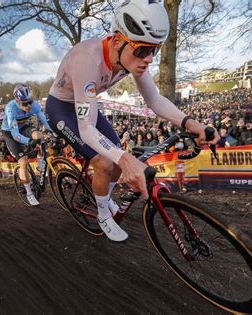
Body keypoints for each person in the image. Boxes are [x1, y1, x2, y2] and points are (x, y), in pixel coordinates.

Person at [45, 0, 219, 242]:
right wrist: (125, 159)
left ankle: (102, 194)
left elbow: (154, 99)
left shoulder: (128, 55)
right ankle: (103, 215)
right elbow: (85, 129)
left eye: (154, 50)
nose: (148, 59)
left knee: (116, 157)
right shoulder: (87, 59)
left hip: (84, 104)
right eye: (141, 50)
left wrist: (191, 123)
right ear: (117, 41)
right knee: (106, 163)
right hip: (61, 108)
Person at [1, 84, 52, 206]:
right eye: (25, 104)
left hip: (24, 126)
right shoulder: (10, 109)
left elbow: (44, 120)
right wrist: (28, 142)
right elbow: (15, 134)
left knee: (39, 136)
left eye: (30, 102)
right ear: (17, 101)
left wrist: (53, 131)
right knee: (23, 162)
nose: (28, 106)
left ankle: (41, 162)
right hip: (10, 133)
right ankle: (29, 193)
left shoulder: (34, 105)